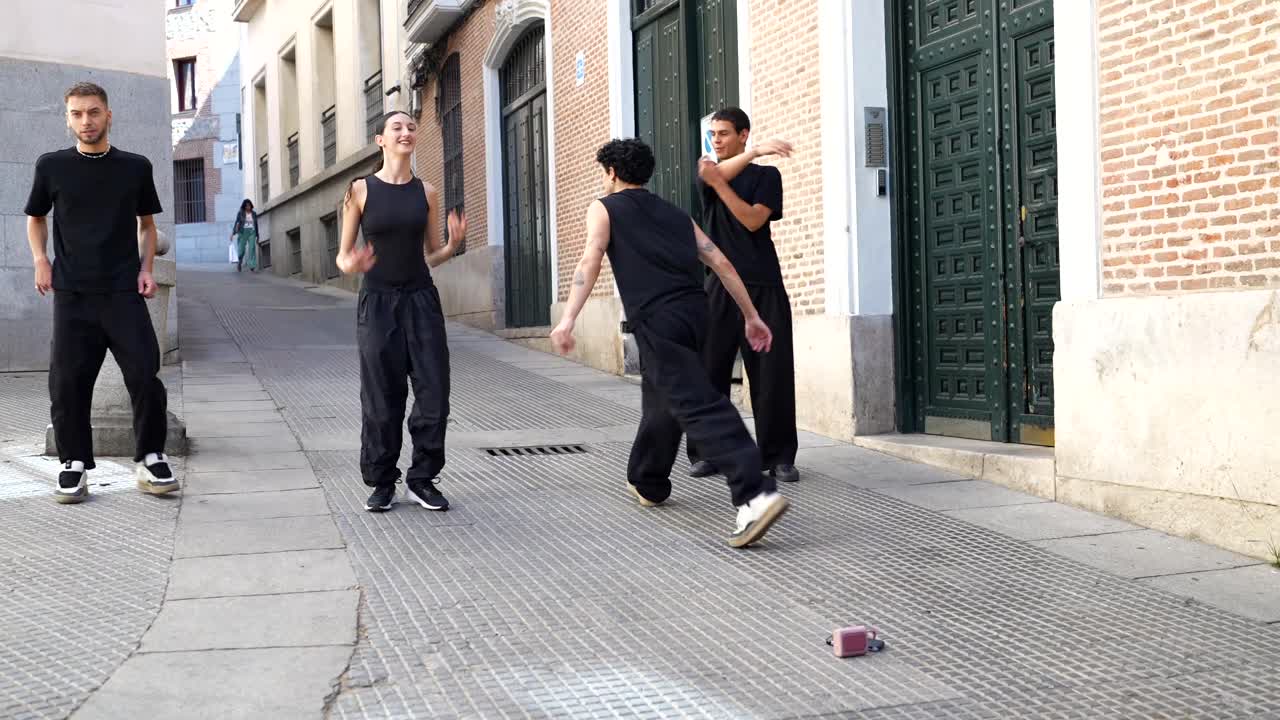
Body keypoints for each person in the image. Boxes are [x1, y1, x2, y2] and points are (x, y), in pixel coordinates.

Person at [550, 138, 790, 549]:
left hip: (658, 320)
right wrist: (751, 315)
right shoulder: (676, 213)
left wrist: (568, 318)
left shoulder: (604, 207)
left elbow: (591, 258)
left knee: (698, 404)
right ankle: (648, 479)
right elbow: (721, 262)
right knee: (663, 397)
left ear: (610, 172)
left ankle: (755, 492)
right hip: (700, 316)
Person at [25, 82, 177, 504]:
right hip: (73, 294)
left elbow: (147, 226)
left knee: (145, 374)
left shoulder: (135, 167)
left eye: (93, 112)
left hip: (123, 291)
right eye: (77, 113)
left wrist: (147, 269)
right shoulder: (51, 166)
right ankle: (73, 465)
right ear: (67, 118)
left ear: (108, 115)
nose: (86, 121)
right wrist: (41, 261)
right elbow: (36, 218)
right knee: (69, 382)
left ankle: (150, 456)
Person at [336, 110, 466, 514]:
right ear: (381, 140)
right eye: (397, 127)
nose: (406, 132)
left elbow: (433, 254)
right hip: (377, 303)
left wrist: (453, 244)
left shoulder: (426, 191)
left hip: (421, 301)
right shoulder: (359, 190)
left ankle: (422, 479)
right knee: (381, 396)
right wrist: (352, 265)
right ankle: (381, 480)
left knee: (434, 393)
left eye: (411, 127)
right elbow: (342, 257)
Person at [687, 108, 801, 484]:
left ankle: (779, 457)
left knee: (773, 373)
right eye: (713, 134)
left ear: (743, 134)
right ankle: (708, 453)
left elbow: (753, 220)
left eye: (723, 133)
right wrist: (744, 160)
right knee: (709, 370)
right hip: (718, 286)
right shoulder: (708, 169)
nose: (716, 140)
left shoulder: (768, 176)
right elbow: (714, 176)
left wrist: (723, 185)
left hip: (764, 284)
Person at [231, 198, 260, 272]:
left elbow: (256, 225)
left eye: (249, 205)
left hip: (252, 232)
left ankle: (252, 265)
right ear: (244, 206)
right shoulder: (240, 213)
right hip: (242, 232)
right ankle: (239, 262)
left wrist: (257, 235)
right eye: (246, 206)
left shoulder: (254, 213)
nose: (248, 207)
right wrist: (232, 233)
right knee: (241, 250)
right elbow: (237, 223)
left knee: (252, 248)